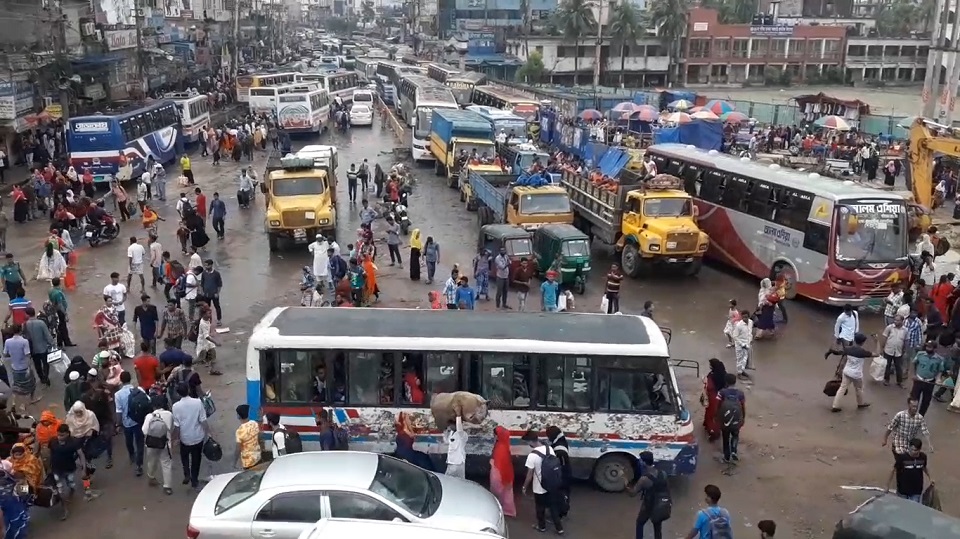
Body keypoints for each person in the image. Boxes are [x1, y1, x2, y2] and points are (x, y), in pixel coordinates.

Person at [521, 429, 563, 535]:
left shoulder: (532, 455)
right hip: (552, 484)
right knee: (553, 507)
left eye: (527, 442)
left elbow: (529, 475)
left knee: (540, 508)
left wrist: (524, 487)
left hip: (539, 486)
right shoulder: (549, 449)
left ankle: (542, 526)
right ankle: (559, 528)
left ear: (530, 441)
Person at [171, 383, 209, 490]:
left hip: (185, 437)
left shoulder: (175, 407)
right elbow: (203, 420)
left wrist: (174, 439)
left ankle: (186, 473)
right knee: (196, 460)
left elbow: (177, 426)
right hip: (198, 437)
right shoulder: (198, 402)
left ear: (178, 394)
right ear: (188, 390)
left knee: (184, 456)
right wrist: (208, 433)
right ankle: (194, 481)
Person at [825, 332, 875, 413]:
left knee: (842, 388)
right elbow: (877, 354)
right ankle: (860, 403)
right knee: (858, 389)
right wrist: (877, 341)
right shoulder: (863, 352)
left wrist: (839, 370)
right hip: (857, 374)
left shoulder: (848, 349)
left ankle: (835, 405)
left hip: (847, 372)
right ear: (862, 342)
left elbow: (841, 357)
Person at [628, 451, 672, 539]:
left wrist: (625, 483)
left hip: (648, 505)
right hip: (660, 504)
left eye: (641, 460)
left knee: (640, 523)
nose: (639, 461)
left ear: (644, 463)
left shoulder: (644, 479)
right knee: (657, 527)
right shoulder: (663, 473)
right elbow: (666, 487)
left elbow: (632, 493)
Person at [48, 423, 87, 520]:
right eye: (58, 435)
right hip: (56, 470)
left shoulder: (74, 442)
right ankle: (65, 509)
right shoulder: (53, 441)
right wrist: (48, 467)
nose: (59, 437)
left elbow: (81, 455)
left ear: (67, 434)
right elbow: (50, 453)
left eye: (62, 435)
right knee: (61, 491)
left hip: (69, 469)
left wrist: (84, 469)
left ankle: (72, 492)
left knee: (71, 484)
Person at [113, 371, 145, 476]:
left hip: (127, 422)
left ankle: (132, 456)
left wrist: (118, 424)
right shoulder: (139, 390)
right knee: (140, 443)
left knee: (129, 441)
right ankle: (139, 465)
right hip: (139, 421)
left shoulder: (118, 394)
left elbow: (118, 411)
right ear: (130, 379)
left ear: (121, 380)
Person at [2, 325, 40, 411]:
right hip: (24, 367)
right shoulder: (24, 341)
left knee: (16, 385)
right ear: (20, 330)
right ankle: (26, 402)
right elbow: (27, 355)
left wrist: (13, 355)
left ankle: (14, 403)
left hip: (15, 368)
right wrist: (29, 367)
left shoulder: (8, 341)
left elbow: (5, 354)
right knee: (30, 385)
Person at [142, 395, 173, 495]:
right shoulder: (169, 414)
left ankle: (151, 477)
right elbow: (171, 428)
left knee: (152, 461)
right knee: (166, 463)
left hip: (151, 444)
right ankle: (167, 486)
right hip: (165, 443)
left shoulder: (149, 416)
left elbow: (144, 430)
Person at [886, 438, 932, 502]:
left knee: (914, 506)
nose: (913, 452)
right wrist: (887, 485)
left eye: (915, 450)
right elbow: (893, 470)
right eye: (912, 449)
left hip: (916, 490)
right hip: (903, 490)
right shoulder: (902, 458)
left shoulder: (923, 457)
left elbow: (924, 467)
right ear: (909, 447)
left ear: (919, 449)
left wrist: (930, 478)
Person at [911, 340, 945, 416]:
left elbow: (940, 370)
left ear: (935, 349)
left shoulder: (939, 359)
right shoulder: (920, 354)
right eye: (927, 346)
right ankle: (912, 415)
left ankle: (921, 416)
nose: (928, 348)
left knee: (926, 401)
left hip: (930, 382)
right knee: (914, 399)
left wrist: (938, 379)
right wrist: (914, 374)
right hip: (918, 380)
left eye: (930, 347)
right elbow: (914, 363)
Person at [716, 373, 745, 464]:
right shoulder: (740, 393)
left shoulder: (722, 392)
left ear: (726, 382)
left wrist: (716, 417)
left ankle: (727, 457)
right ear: (735, 382)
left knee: (725, 438)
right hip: (736, 418)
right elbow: (743, 406)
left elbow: (718, 405)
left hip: (725, 419)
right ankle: (734, 451)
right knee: (735, 435)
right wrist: (743, 418)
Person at [489, 425, 516, 517]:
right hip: (498, 473)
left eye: (495, 435)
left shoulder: (501, 448)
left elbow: (503, 466)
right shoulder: (502, 445)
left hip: (499, 474)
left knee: (499, 492)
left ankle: (502, 509)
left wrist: (506, 480)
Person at [701, 358, 727, 441]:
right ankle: (716, 428)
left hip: (713, 397)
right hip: (721, 397)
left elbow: (709, 387)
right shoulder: (724, 374)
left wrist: (704, 382)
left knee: (711, 413)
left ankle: (713, 431)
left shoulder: (712, 375)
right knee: (718, 413)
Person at [234, 404, 261, 470]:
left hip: (248, 462)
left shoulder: (239, 431)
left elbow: (238, 449)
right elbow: (258, 436)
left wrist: (234, 462)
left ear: (238, 416)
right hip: (257, 457)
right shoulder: (254, 423)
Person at [443, 413, 466, 478]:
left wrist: (458, 416)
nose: (450, 427)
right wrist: (445, 434)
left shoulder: (462, 434)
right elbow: (447, 442)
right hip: (451, 461)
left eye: (451, 425)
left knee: (459, 480)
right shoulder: (451, 432)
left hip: (458, 462)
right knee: (448, 479)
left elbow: (459, 428)